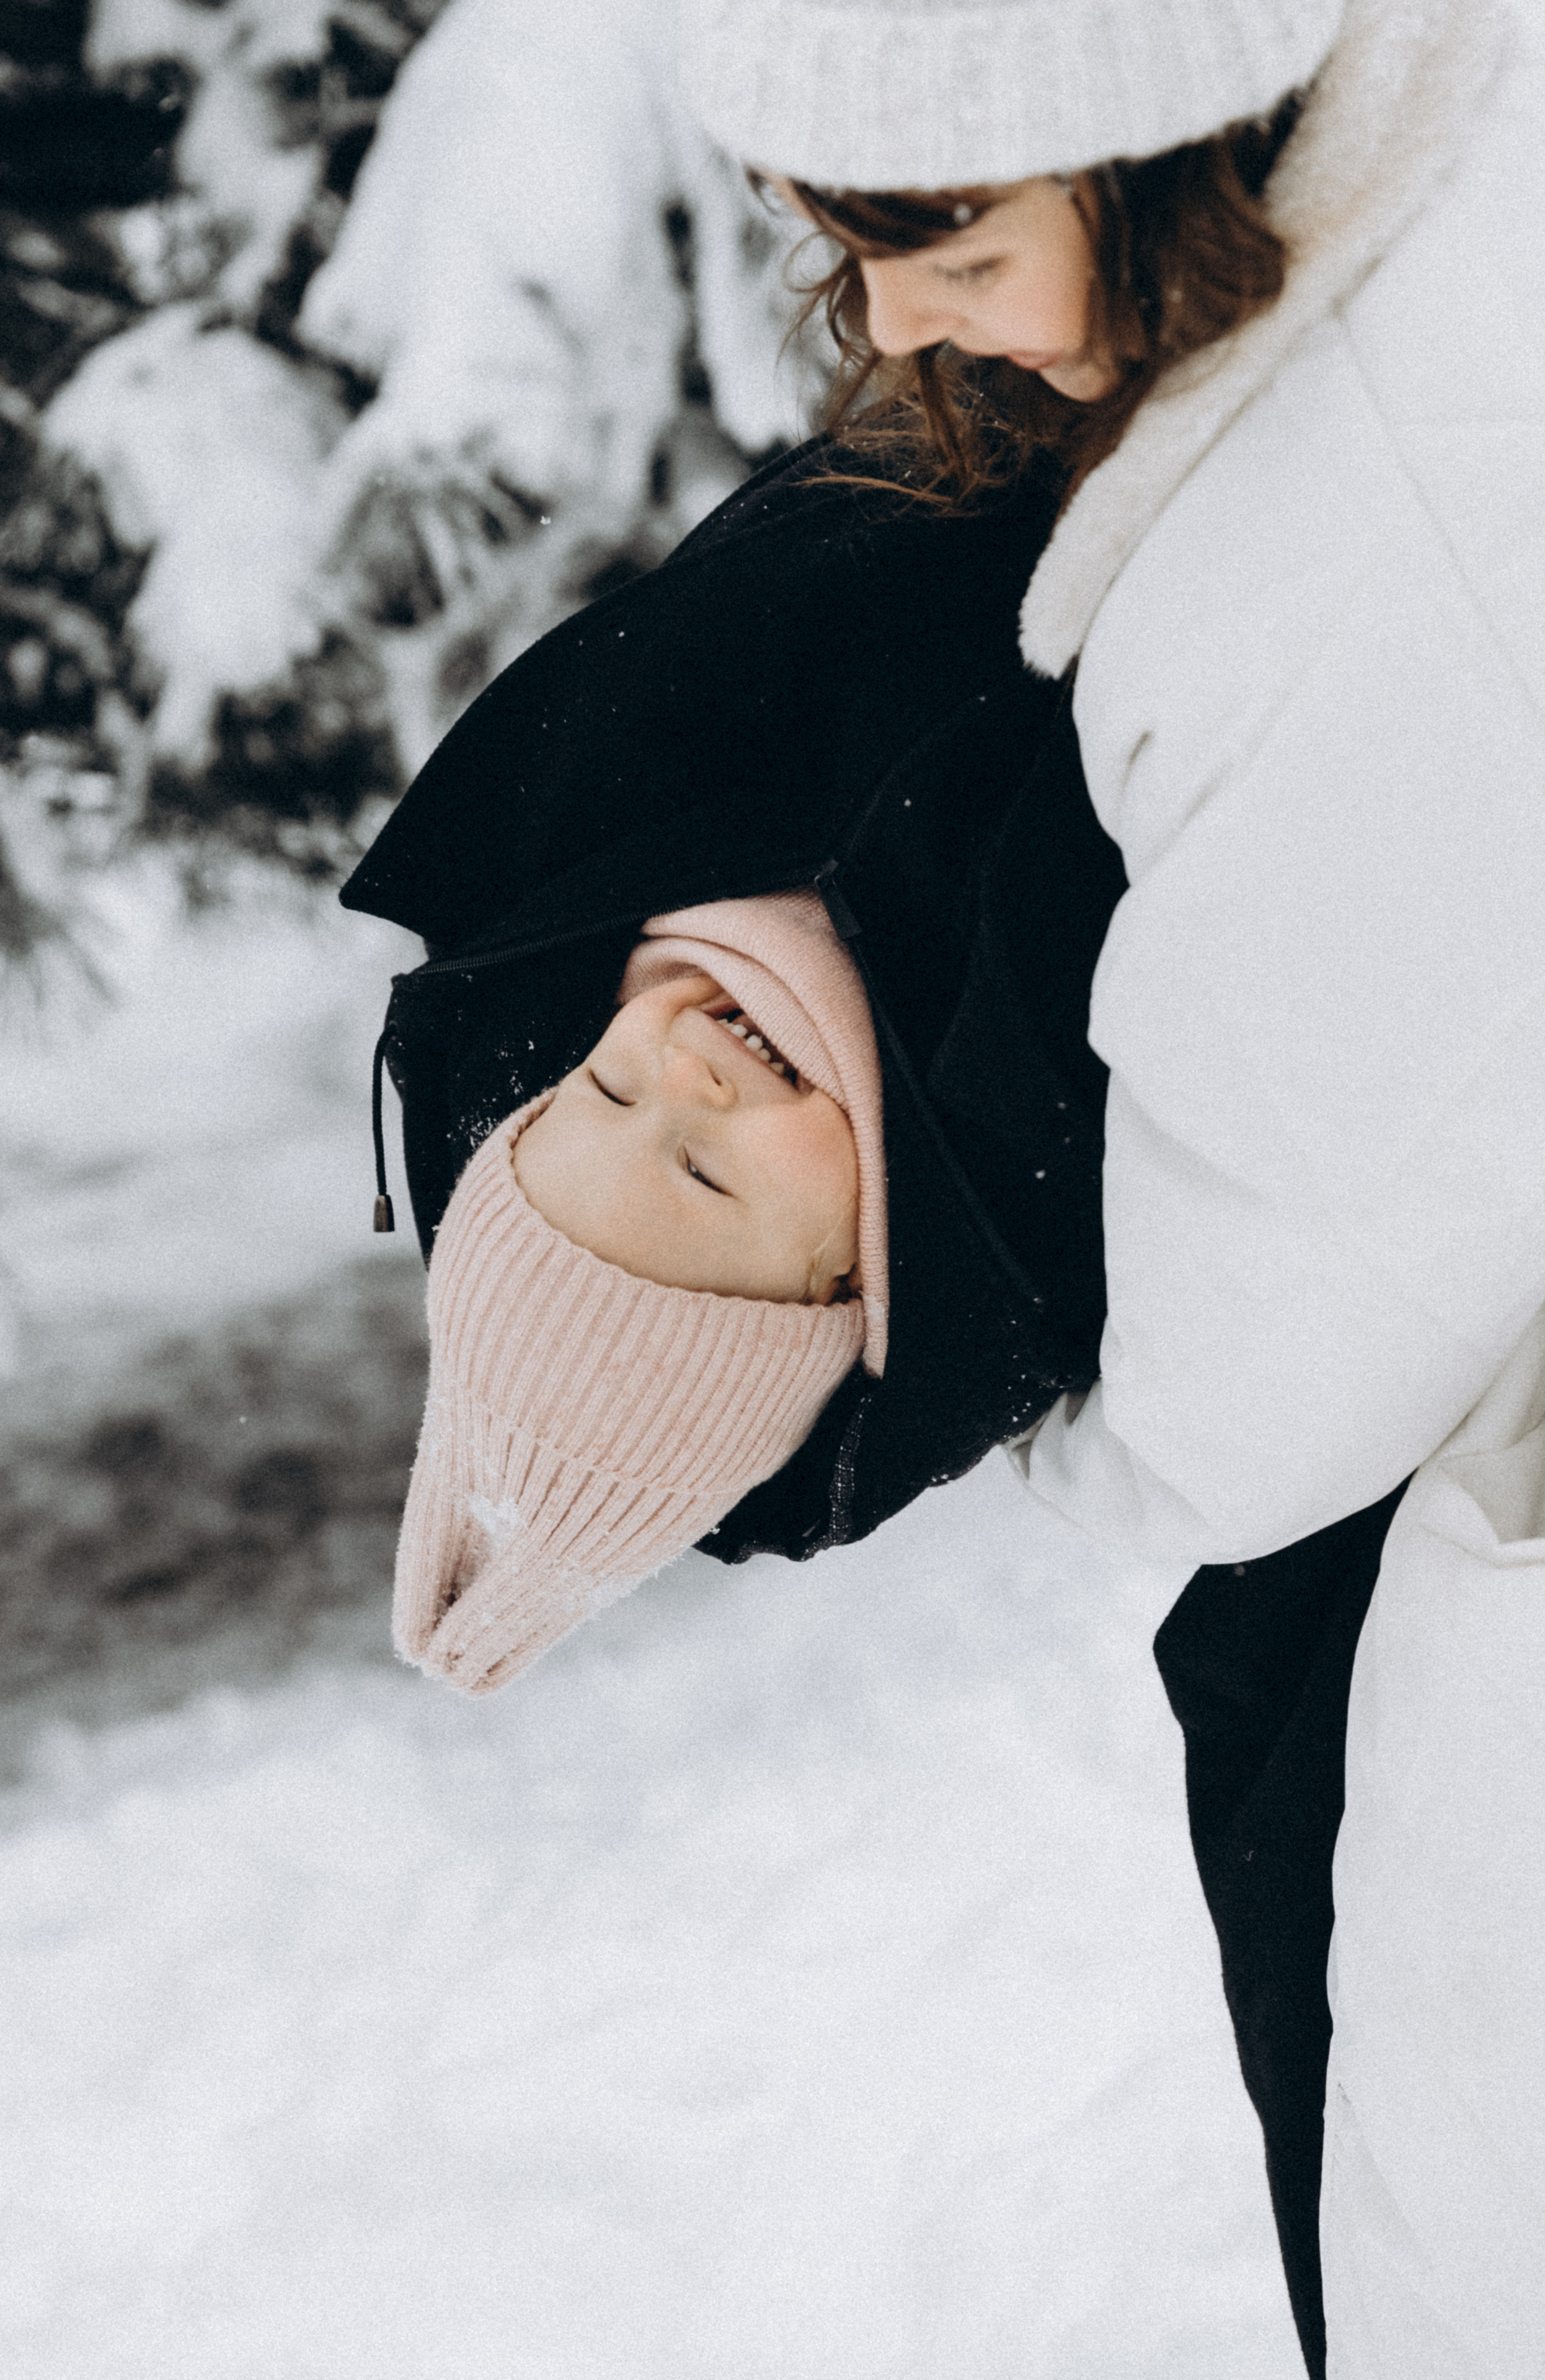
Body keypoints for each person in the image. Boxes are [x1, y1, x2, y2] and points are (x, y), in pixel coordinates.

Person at [678, 0, 1545, 2369]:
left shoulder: (1335, 549)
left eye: (931, 226)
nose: (885, 314)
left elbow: (1266, 1379)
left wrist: (1021, 1422)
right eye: (826, 238)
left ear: (1141, 137)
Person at [343, 441, 1125, 1687]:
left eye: (602, 1090)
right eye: (703, 1176)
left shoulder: (624, 786)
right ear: (839, 1292)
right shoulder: (1063, 1096)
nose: (684, 1072)